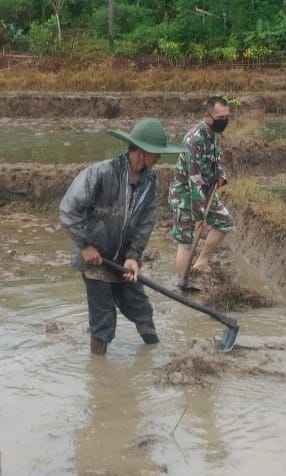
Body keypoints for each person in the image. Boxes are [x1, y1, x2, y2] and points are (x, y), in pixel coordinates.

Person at [59, 118, 187, 355]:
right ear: (141, 152)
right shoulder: (102, 173)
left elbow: (145, 224)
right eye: (155, 154)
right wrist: (85, 246)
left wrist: (133, 256)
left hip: (122, 260)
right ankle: (99, 372)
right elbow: (68, 210)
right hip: (96, 258)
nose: (158, 159)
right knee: (104, 320)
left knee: (141, 309)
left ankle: (155, 355)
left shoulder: (150, 181)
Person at [169, 95, 237, 289]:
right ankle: (182, 282)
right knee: (186, 240)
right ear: (208, 116)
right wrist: (199, 215)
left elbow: (217, 161)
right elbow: (194, 181)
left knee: (225, 223)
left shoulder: (214, 134)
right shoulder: (194, 140)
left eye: (227, 117)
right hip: (186, 195)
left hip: (206, 191)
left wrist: (221, 176)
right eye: (220, 117)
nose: (224, 121)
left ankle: (201, 261)